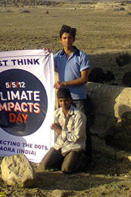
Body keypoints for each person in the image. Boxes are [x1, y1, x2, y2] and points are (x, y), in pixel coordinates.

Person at [53, 24, 92, 157]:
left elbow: (84, 79)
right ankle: (65, 156)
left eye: (69, 38)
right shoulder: (57, 57)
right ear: (60, 40)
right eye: (64, 38)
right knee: (64, 128)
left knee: (82, 130)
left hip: (78, 98)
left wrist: (64, 83)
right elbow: (43, 64)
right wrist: (44, 54)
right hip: (64, 99)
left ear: (73, 39)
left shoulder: (82, 56)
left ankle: (86, 158)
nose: (67, 41)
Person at [39, 88, 87, 173]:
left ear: (71, 100)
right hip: (60, 146)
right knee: (43, 166)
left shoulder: (79, 115)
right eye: (61, 101)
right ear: (58, 101)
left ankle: (80, 160)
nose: (63, 103)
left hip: (74, 147)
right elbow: (56, 136)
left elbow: (77, 137)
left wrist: (60, 131)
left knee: (66, 169)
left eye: (66, 100)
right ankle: (63, 160)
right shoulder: (57, 114)